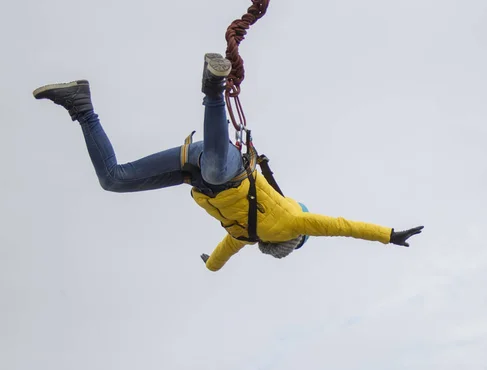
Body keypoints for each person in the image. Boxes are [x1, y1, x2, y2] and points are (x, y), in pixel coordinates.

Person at [32, 53, 424, 272]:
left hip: (191, 168)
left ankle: (81, 104)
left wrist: (209, 265)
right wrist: (389, 235)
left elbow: (222, 256)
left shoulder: (245, 237)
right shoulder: (293, 222)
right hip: (228, 164)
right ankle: (213, 88)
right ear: (288, 242)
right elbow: (342, 227)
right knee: (219, 171)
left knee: (114, 181)